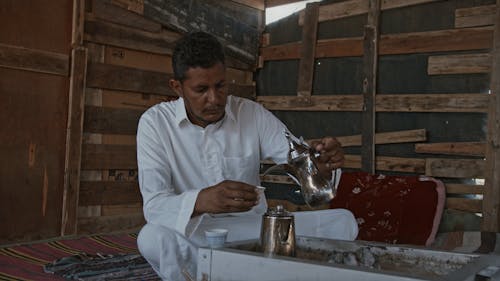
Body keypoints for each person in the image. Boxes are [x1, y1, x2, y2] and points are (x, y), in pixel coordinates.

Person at [136, 31, 358, 280]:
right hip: (195, 233)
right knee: (151, 238)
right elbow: (154, 207)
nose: (214, 98)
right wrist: (201, 201)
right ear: (177, 87)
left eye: (220, 86)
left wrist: (320, 165)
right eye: (201, 89)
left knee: (342, 222)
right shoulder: (155, 123)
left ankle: (222, 272)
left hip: (253, 232)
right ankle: (247, 271)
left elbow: (298, 160)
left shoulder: (251, 114)